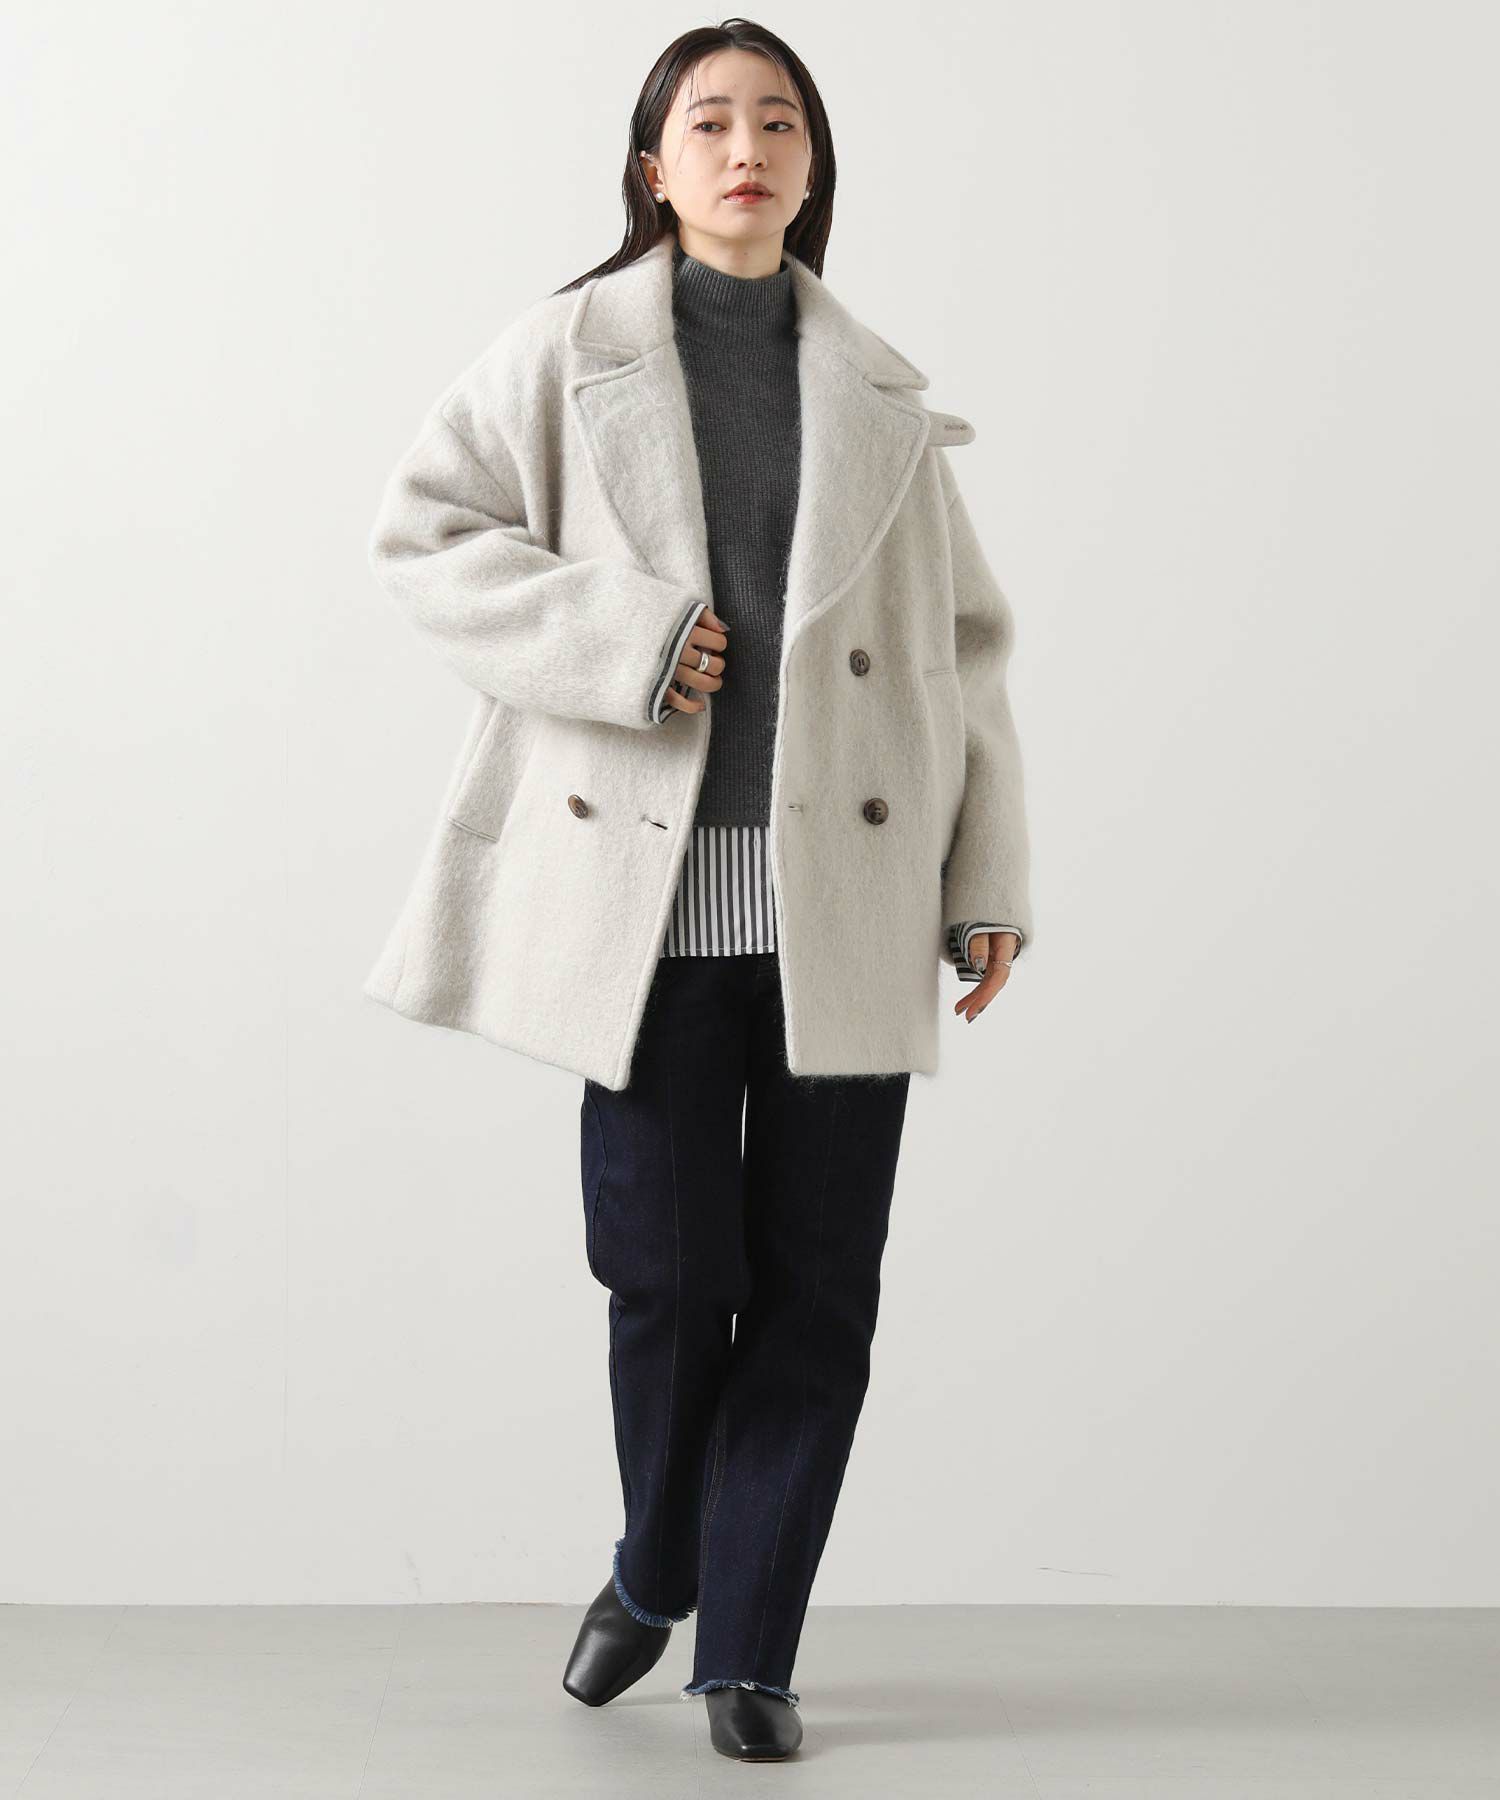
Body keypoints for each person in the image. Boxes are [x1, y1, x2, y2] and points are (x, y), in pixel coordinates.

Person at [364, 17, 1033, 1766]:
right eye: (712, 121)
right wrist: (625, 637)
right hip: (639, 913)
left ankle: (747, 1643)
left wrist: (987, 876)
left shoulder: (883, 397)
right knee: (665, 1277)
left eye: (779, 122)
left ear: (814, 168)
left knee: (819, 1293)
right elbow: (423, 536)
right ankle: (660, 1556)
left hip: (847, 907)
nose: (748, 148)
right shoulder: (561, 351)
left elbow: (965, 655)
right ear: (654, 167)